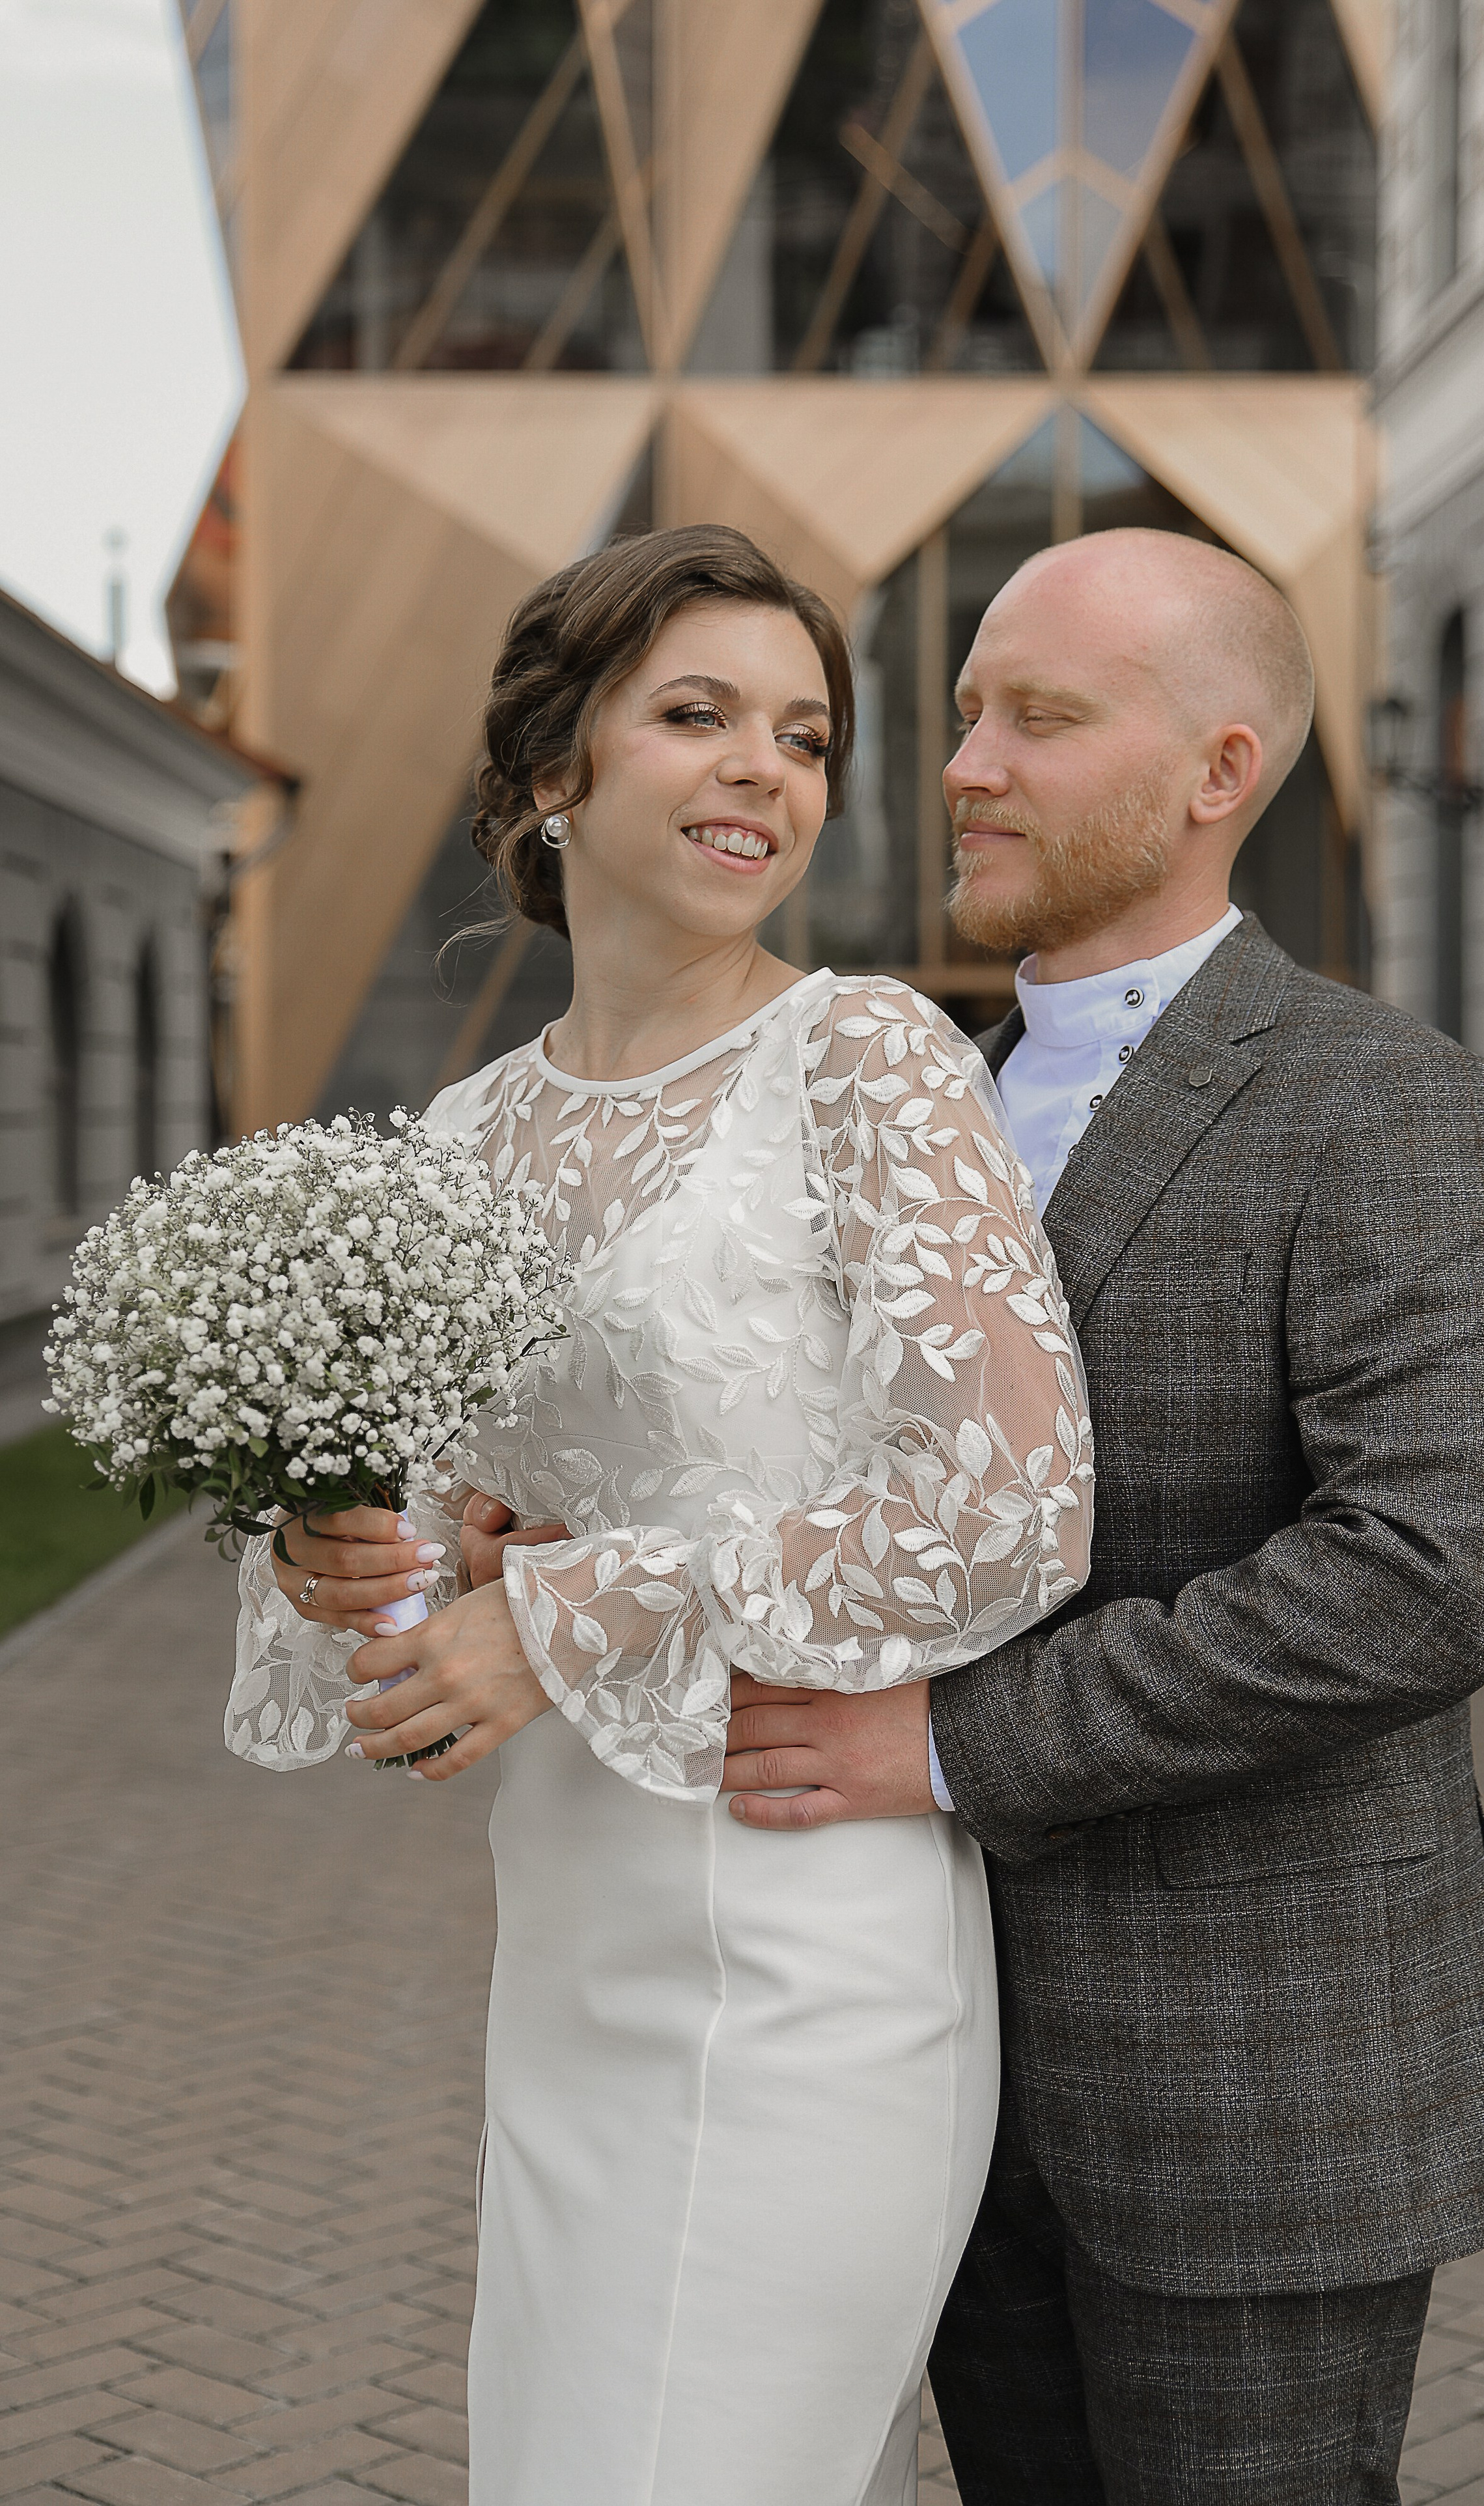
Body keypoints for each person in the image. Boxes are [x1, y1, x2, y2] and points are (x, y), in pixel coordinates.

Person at [224, 524, 1093, 2506]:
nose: (763, 771)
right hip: (565, 1943)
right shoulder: (464, 1138)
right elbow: (420, 1599)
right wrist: (341, 1559)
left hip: (806, 1935)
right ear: (558, 770)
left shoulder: (866, 1059)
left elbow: (1012, 1508)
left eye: (805, 736)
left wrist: (566, 1612)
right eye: (698, 715)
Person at [720, 528, 1484, 2503]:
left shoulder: (1389, 1105)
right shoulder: (916, 1109)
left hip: (1259, 2086)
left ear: (1217, 771)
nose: (965, 766)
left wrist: (948, 1743)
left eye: (1041, 717)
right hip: (923, 2060)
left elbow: (1419, 1581)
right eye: (963, 715)